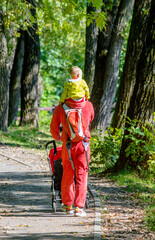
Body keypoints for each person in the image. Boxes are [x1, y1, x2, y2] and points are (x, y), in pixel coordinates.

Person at [50, 99, 94, 217]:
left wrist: (59, 137)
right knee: (82, 175)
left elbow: (54, 128)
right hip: (84, 145)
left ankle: (68, 205)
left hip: (68, 146)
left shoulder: (60, 108)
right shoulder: (88, 105)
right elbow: (90, 119)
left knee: (68, 174)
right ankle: (79, 207)